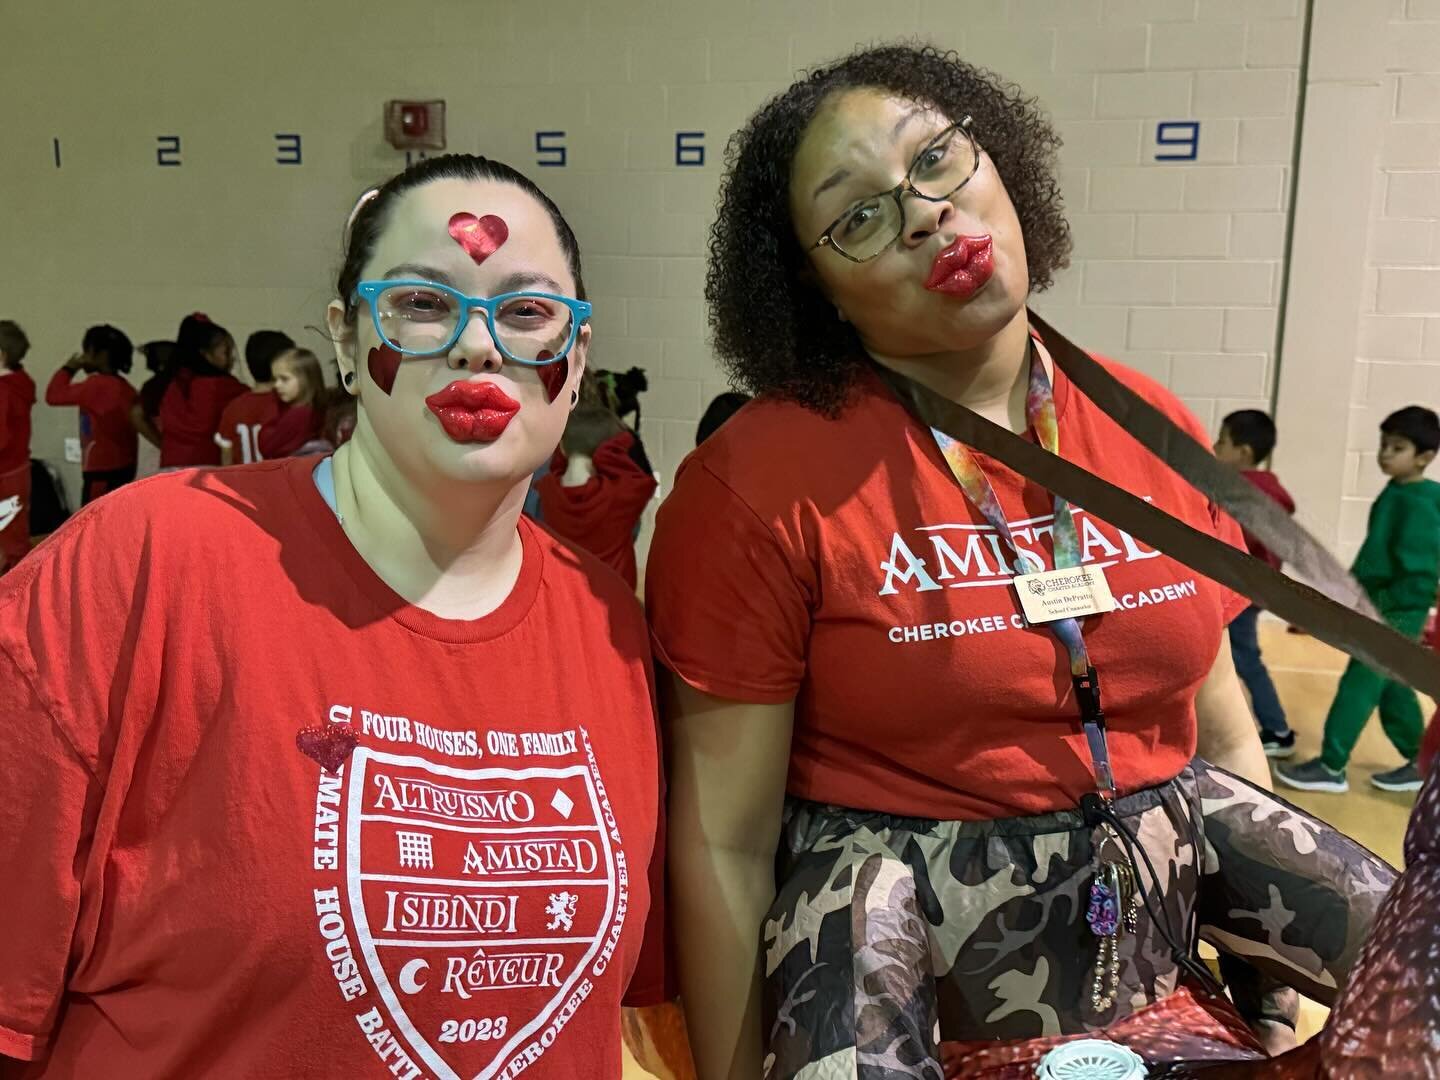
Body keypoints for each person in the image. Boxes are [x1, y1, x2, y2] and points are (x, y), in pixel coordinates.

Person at [646, 44, 1391, 1077]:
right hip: (899, 955)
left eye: (938, 159)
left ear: (1001, 166)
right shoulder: (756, 482)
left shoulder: (1151, 425)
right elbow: (723, 844)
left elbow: (1215, 731)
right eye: (857, 214)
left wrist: (1262, 987)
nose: (922, 215)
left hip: (1153, 932)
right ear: (813, 288)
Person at [0, 154, 670, 1078]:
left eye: (526, 313)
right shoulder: (142, 565)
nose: (478, 346)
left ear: (577, 356)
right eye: (424, 305)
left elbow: (601, 1033)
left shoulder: (607, 626)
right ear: (347, 342)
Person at [1278, 405, 1440, 795]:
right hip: (1379, 605)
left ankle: (1331, 766)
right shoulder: (1399, 490)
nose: (1385, 454)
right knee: (1391, 685)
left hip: (1396, 610)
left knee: (1359, 684)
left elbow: (1420, 571)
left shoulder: (1419, 501)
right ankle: (1423, 763)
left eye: (1397, 447)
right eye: (1384, 445)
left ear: (1424, 457)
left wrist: (1389, 610)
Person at [1213, 410, 1297, 757]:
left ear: (1244, 452)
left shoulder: (1243, 494)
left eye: (1222, 441)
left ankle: (1277, 730)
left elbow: (1230, 540)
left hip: (1241, 592)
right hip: (1253, 589)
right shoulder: (1271, 490)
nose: (1214, 447)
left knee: (1244, 660)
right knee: (1235, 659)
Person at [536, 402, 658, 589]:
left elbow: (557, 465)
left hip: (565, 595)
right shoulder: (620, 496)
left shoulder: (546, 490)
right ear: (612, 448)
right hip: (611, 600)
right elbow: (645, 480)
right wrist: (615, 446)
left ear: (562, 448)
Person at [44, 325, 140, 504]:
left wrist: (69, 368)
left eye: (87, 352)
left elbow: (54, 395)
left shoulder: (96, 386)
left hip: (101, 470)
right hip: (124, 467)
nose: (83, 357)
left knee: (94, 522)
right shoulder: (126, 388)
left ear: (101, 355)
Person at [156, 315, 247, 468]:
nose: (231, 358)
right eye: (226, 352)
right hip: (206, 465)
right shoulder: (223, 386)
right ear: (205, 354)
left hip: (170, 466)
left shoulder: (173, 382)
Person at [216, 329, 295, 465]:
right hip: (280, 482)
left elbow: (226, 461)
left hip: (242, 484)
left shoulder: (233, 408)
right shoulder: (290, 404)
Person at [0, 320, 35, 574]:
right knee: (15, 537)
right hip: (18, 470)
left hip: (4, 474)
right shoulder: (21, 383)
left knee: (9, 544)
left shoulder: (3, 391)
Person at [257, 347, 328, 459]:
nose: (277, 385)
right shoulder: (308, 409)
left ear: (306, 379)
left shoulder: (299, 414)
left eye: (284, 379)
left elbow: (267, 447)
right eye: (275, 379)